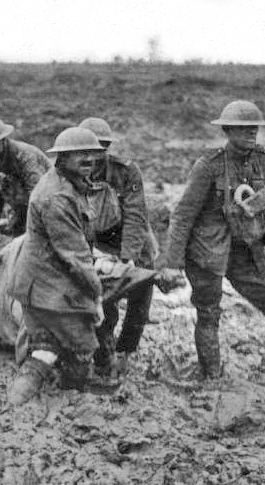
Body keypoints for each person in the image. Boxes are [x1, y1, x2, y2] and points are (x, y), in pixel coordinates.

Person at [159, 100, 265, 382]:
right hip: (206, 251)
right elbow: (182, 216)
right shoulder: (208, 166)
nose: (251, 133)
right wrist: (173, 264)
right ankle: (211, 377)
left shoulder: (263, 160)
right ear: (227, 131)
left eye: (254, 128)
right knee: (208, 312)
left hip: (246, 247)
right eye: (243, 128)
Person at [7, 127, 105, 405]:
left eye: (92, 154)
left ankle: (18, 404)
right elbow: (75, 255)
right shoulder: (58, 197)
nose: (88, 159)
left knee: (46, 350)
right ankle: (74, 400)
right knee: (83, 348)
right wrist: (96, 296)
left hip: (40, 283)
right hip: (50, 287)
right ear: (62, 157)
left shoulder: (68, 184)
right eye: (79, 154)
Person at [79, 117, 160, 377]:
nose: (95, 155)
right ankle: (104, 350)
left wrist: (128, 257)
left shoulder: (125, 172)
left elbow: (136, 216)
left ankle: (126, 350)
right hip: (98, 243)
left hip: (134, 242)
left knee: (139, 299)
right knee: (103, 300)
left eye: (101, 148)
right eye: (89, 149)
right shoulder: (70, 174)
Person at [0, 116, 51, 241]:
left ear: (3, 140)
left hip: (48, 206)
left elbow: (38, 196)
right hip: (26, 207)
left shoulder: (25, 156)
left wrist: (32, 230)